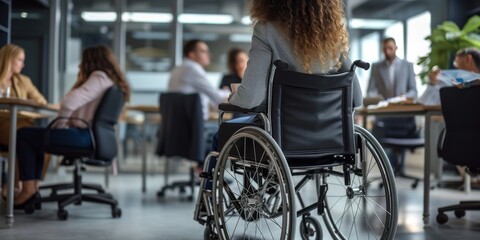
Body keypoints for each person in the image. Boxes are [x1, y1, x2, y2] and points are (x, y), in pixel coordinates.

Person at [13, 45, 130, 207]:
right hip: (96, 138)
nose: (80, 65)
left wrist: (59, 126)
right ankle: (32, 187)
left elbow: (69, 103)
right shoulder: (111, 82)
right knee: (35, 138)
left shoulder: (98, 77)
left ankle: (28, 189)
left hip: (84, 136)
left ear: (90, 62)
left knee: (24, 135)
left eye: (83, 62)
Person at [229, 0, 362, 110]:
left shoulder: (266, 31)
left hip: (281, 135)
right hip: (333, 136)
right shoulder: (333, 37)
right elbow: (357, 98)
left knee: (222, 134)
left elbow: (249, 99)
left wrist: (233, 97)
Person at [0, 44, 47, 200]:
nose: (23, 64)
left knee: (44, 141)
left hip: (21, 124)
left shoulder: (23, 80)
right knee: (21, 137)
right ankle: (15, 185)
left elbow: (41, 102)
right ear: (9, 59)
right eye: (19, 60)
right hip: (3, 125)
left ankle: (32, 185)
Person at [367, 37, 418, 174]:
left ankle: (399, 168)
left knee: (403, 136)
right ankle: (391, 169)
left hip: (403, 113)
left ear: (396, 48)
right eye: (385, 49)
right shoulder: (377, 67)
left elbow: (414, 90)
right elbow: (371, 89)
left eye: (390, 48)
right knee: (381, 137)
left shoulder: (407, 65)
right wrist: (377, 99)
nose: (387, 51)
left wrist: (405, 97)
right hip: (385, 112)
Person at [168, 39, 230, 121]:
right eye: (203, 51)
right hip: (192, 124)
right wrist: (230, 93)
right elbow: (217, 97)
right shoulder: (192, 68)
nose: (209, 55)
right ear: (192, 54)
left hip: (179, 122)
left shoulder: (180, 68)